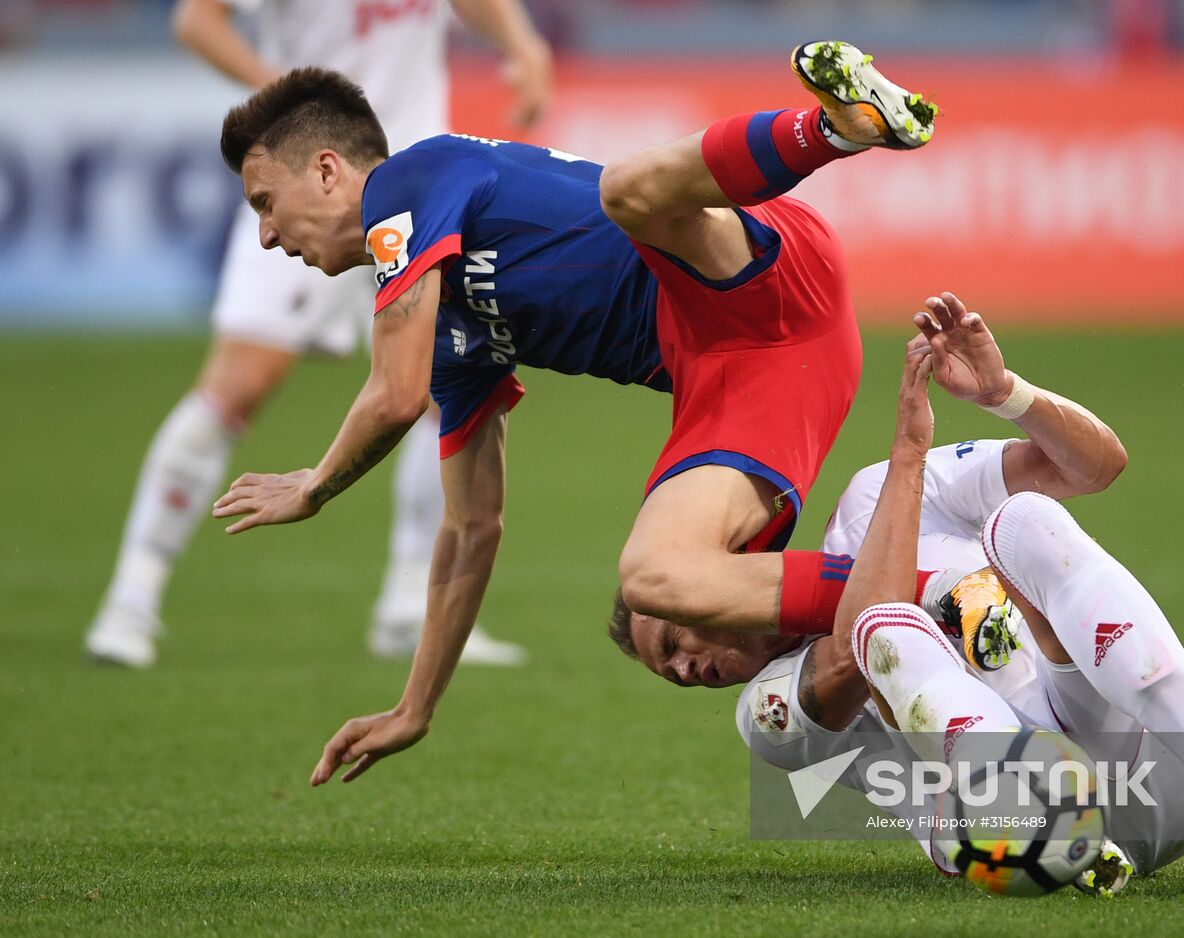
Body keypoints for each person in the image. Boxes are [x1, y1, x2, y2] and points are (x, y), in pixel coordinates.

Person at [207, 42, 941, 783]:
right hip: (749, 372)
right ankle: (942, 596)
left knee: (627, 190)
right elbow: (470, 529)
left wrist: (316, 485)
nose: (266, 235)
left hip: (753, 282)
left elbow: (394, 396)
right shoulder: (454, 333)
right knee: (656, 579)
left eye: (265, 203)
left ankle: (835, 129)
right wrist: (414, 707)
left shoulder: (409, 181)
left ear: (328, 170)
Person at [617, 295, 1184, 889]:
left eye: (673, 636)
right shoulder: (767, 711)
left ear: (715, 574)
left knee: (1027, 521)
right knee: (882, 635)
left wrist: (1007, 396)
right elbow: (861, 636)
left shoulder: (872, 501)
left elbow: (1098, 466)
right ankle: (1047, 802)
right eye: (671, 675)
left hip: (1155, 757)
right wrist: (909, 465)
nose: (684, 668)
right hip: (1020, 837)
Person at [85, 0, 551, 668]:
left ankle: (408, 604)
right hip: (309, 187)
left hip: (419, 177)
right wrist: (283, 107)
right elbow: (198, 20)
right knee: (237, 386)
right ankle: (131, 600)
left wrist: (519, 41)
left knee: (446, 387)